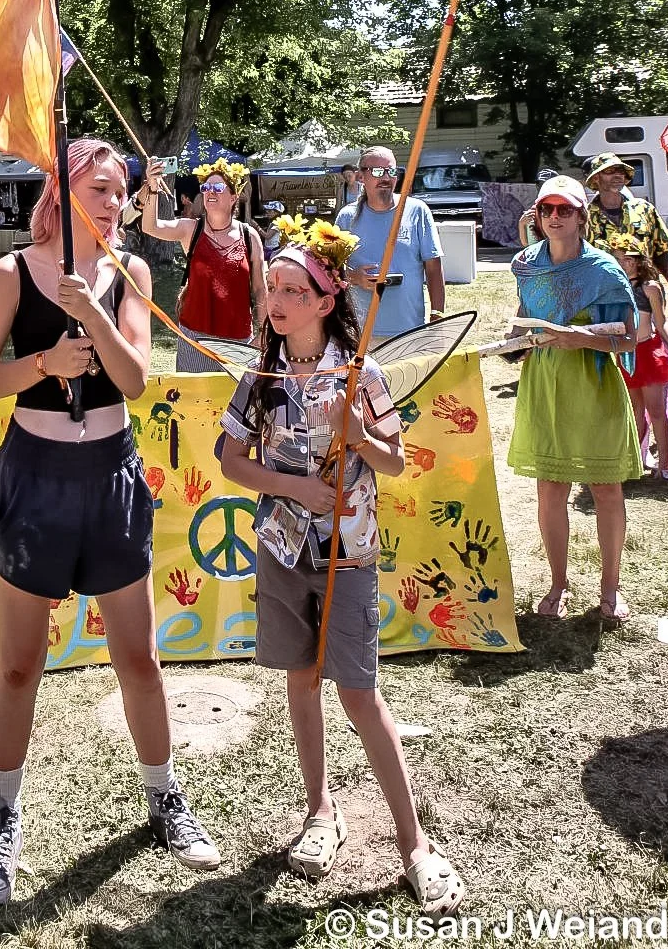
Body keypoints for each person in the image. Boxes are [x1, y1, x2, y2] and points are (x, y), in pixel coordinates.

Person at [0, 137, 219, 905]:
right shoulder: (11, 272)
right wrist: (43, 364)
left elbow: (137, 380)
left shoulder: (131, 273)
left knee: (138, 661)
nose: (116, 201)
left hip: (109, 476)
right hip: (34, 482)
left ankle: (164, 797)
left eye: (122, 190)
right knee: (19, 665)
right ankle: (2, 816)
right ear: (63, 189)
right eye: (101, 188)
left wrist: (91, 316)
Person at [217, 216, 465, 916]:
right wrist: (293, 486)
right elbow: (230, 460)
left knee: (358, 694)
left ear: (326, 302)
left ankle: (414, 845)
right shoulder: (260, 375)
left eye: (293, 290)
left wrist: (356, 432)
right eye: (272, 288)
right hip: (282, 550)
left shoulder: (364, 373)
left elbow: (394, 459)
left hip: (349, 553)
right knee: (300, 681)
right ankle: (319, 811)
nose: (278, 300)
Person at [508, 176, 640, 622]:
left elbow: (626, 339)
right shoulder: (525, 264)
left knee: (605, 488)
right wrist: (514, 340)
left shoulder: (603, 271)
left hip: (595, 383)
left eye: (565, 209)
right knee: (550, 488)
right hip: (544, 384)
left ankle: (611, 588)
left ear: (583, 217)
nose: (554, 217)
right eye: (547, 209)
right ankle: (557, 584)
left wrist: (577, 337)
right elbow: (523, 323)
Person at [140, 156, 267, 371]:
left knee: (235, 403)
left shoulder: (249, 235)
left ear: (234, 196)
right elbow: (150, 226)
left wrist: (263, 335)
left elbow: (260, 290)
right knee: (193, 403)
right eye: (206, 187)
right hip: (195, 339)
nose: (210, 191)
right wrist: (152, 188)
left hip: (238, 342)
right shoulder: (191, 229)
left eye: (218, 187)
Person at [336, 148, 445, 341]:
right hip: (361, 333)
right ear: (361, 176)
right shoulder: (347, 217)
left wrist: (437, 316)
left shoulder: (416, 211)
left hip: (409, 331)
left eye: (391, 171)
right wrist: (355, 277)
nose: (386, 178)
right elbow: (330, 271)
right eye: (378, 172)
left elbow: (434, 268)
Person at [606, 232, 668, 481]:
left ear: (637, 260)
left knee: (657, 411)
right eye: (618, 259)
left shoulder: (650, 288)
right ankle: (637, 459)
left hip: (650, 353)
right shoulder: (616, 288)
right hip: (627, 354)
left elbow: (661, 322)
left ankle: (664, 464)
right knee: (634, 410)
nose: (622, 263)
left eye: (627, 258)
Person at [583, 154, 668, 282]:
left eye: (621, 171)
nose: (617, 175)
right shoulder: (584, 217)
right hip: (606, 295)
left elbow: (662, 254)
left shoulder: (644, 209)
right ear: (596, 177)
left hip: (647, 294)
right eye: (609, 171)